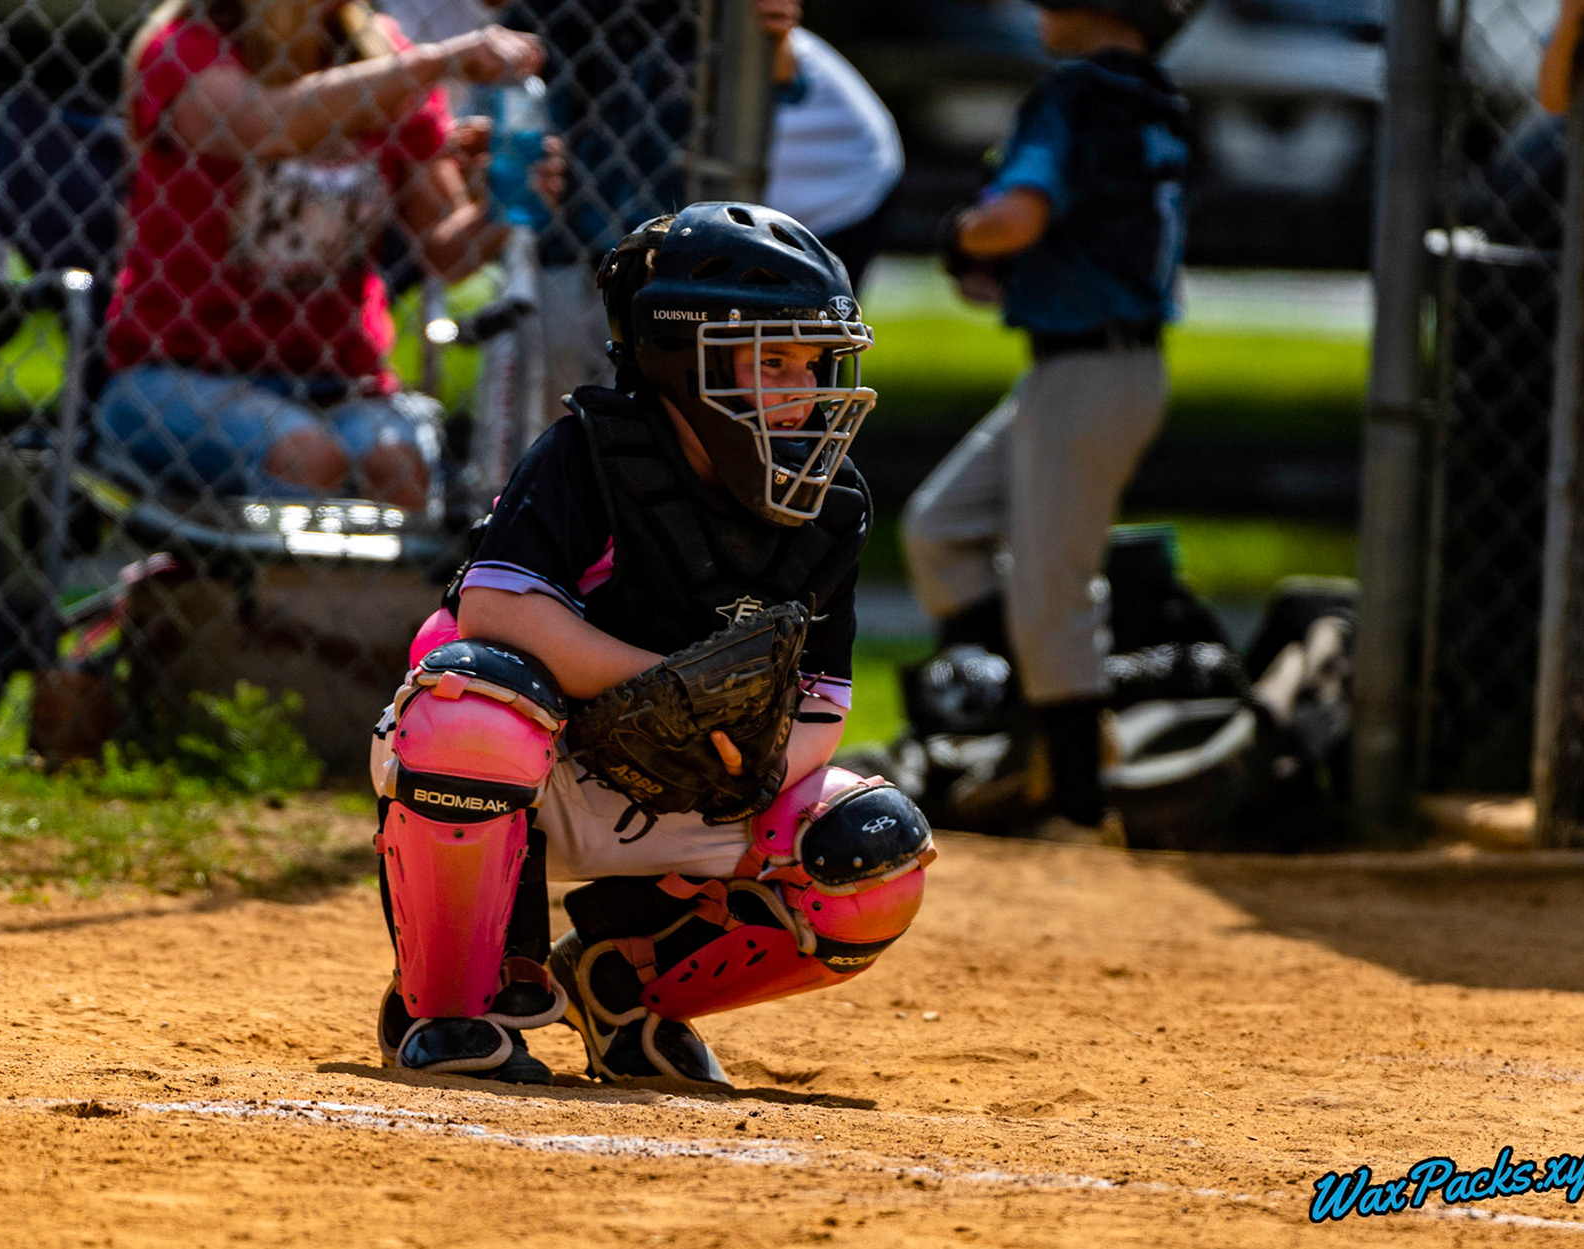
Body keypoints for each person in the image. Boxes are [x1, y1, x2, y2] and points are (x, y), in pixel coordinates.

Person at [367, 202, 933, 1085]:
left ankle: (626, 986)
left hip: (704, 785)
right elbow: (494, 608)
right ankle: (450, 1003)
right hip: (552, 774)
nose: (804, 387)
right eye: (770, 359)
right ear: (679, 353)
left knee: (873, 850)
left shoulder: (832, 501)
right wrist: (664, 692)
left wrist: (748, 763)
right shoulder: (589, 456)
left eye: (814, 362)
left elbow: (822, 699)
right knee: (469, 705)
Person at [899, 0, 1194, 837]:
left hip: (1089, 371)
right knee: (942, 526)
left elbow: (1016, 215)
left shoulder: (1071, 94)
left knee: (1049, 589)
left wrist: (962, 236)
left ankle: (1075, 799)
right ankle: (1044, 717)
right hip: (1094, 367)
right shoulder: (1156, 95)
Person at [98, 0, 555, 509]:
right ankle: (256, 588)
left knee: (398, 465)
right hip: (176, 375)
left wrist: (499, 204)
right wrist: (435, 62)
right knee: (307, 456)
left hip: (337, 382)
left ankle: (374, 592)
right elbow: (269, 126)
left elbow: (447, 252)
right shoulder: (189, 47)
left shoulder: (382, 55)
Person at [756, 0, 904, 293]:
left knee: (803, 325)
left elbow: (783, 69)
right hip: (794, 177)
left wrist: (775, 29)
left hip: (842, 183)